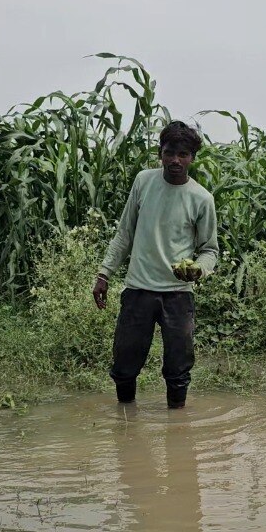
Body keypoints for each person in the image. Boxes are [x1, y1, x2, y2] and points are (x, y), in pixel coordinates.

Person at [93, 121, 218, 409]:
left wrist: (199, 269)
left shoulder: (202, 199)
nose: (175, 160)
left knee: (178, 370)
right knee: (124, 365)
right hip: (138, 289)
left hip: (178, 294)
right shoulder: (144, 181)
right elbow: (125, 232)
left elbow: (210, 250)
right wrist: (104, 273)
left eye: (183, 154)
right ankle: (126, 424)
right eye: (169, 152)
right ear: (160, 153)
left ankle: (177, 427)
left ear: (192, 158)